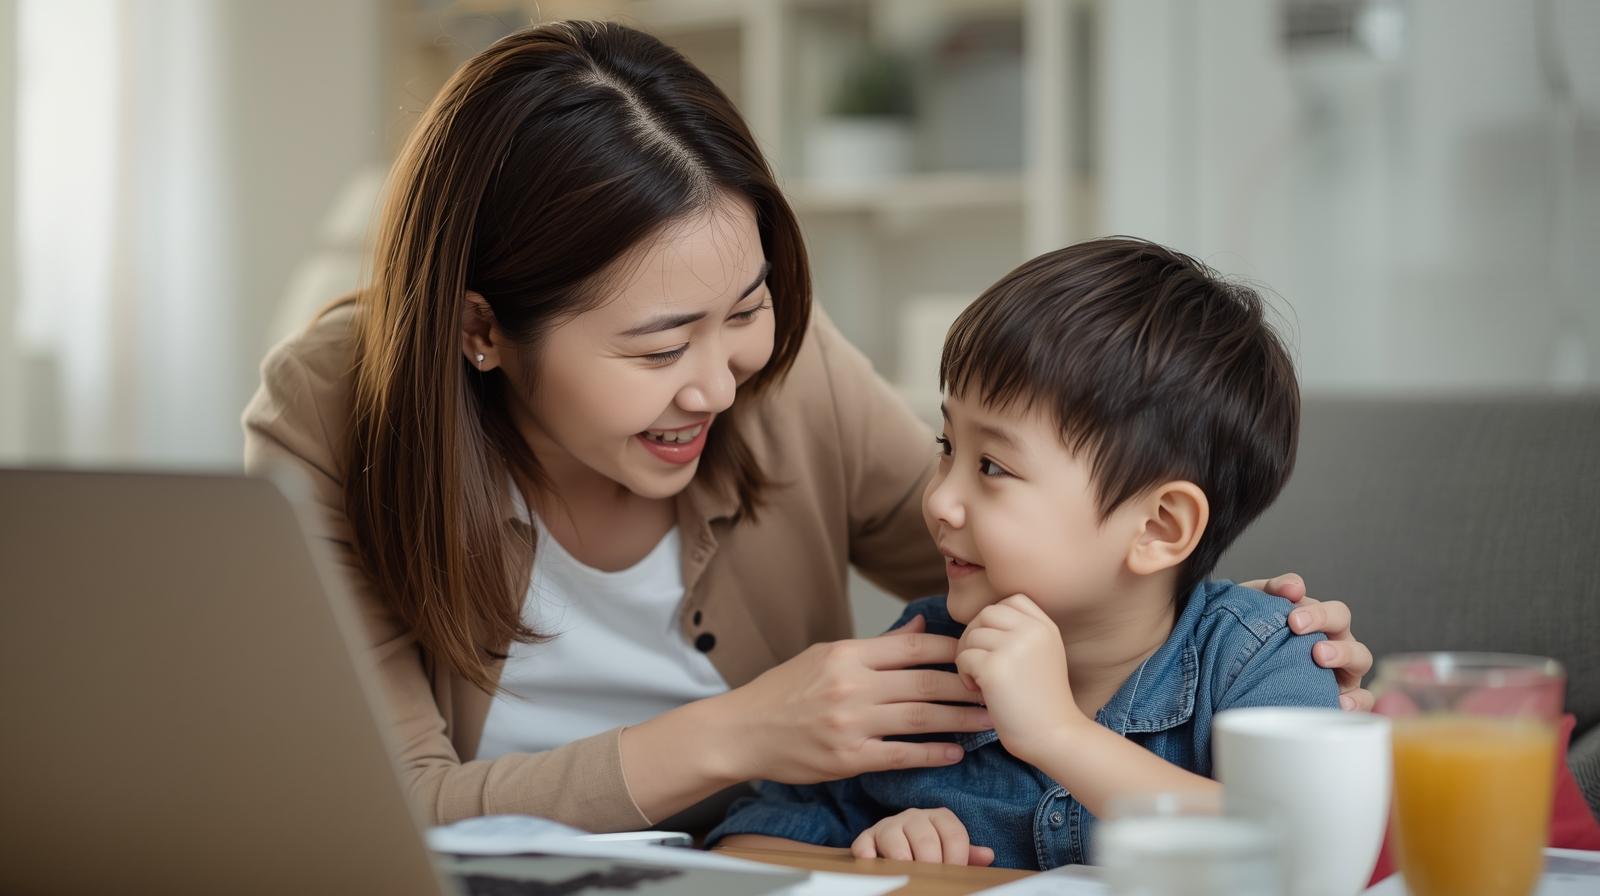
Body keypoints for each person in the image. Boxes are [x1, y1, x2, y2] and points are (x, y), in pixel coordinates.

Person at [242, 21, 1371, 834]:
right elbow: (387, 808)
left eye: (746, 308)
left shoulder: (781, 373)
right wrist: (740, 732)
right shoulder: (335, 412)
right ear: (484, 331)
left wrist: (1232, 638)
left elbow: (1043, 542)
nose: (721, 383)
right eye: (655, 346)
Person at [709, 238, 1340, 868]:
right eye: (946, 445)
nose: (939, 501)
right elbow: (750, 842)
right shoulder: (922, 659)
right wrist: (870, 851)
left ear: (1158, 528)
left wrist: (1057, 733)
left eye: (992, 465)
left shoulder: (1257, 660)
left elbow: (1305, 845)